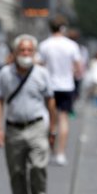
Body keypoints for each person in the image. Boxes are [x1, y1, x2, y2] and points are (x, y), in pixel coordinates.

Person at [0, 34, 57, 194]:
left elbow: (50, 101)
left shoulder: (42, 74)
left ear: (34, 52)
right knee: (17, 172)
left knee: (38, 167)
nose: (26, 53)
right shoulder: (5, 74)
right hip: (13, 129)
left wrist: (52, 129)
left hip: (37, 126)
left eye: (29, 50)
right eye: (22, 50)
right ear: (15, 52)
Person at [37, 17, 82, 166]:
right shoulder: (72, 46)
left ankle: (49, 151)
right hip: (66, 86)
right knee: (63, 119)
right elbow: (79, 68)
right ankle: (60, 153)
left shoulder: (44, 45)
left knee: (50, 120)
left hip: (48, 87)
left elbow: (39, 65)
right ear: (64, 28)